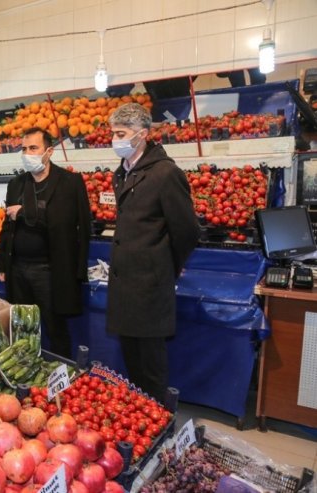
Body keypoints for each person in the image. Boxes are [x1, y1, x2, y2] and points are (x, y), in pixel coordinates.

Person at [106, 103, 200, 402]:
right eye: (113, 133)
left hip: (150, 286)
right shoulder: (122, 173)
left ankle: (159, 422)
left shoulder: (165, 173)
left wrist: (166, 266)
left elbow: (187, 229)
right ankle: (140, 417)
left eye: (121, 133)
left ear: (143, 134)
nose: (115, 140)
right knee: (132, 361)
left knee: (151, 366)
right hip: (126, 286)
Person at [0, 127, 91, 359]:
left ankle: (62, 372)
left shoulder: (70, 183)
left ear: (49, 151)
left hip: (50, 270)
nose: (27, 153)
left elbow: (73, 224)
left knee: (55, 327)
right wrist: (2, 263)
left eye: (33, 148)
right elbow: (7, 225)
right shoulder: (17, 183)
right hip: (18, 268)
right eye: (24, 148)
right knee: (22, 327)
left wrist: (28, 213)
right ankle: (27, 369)